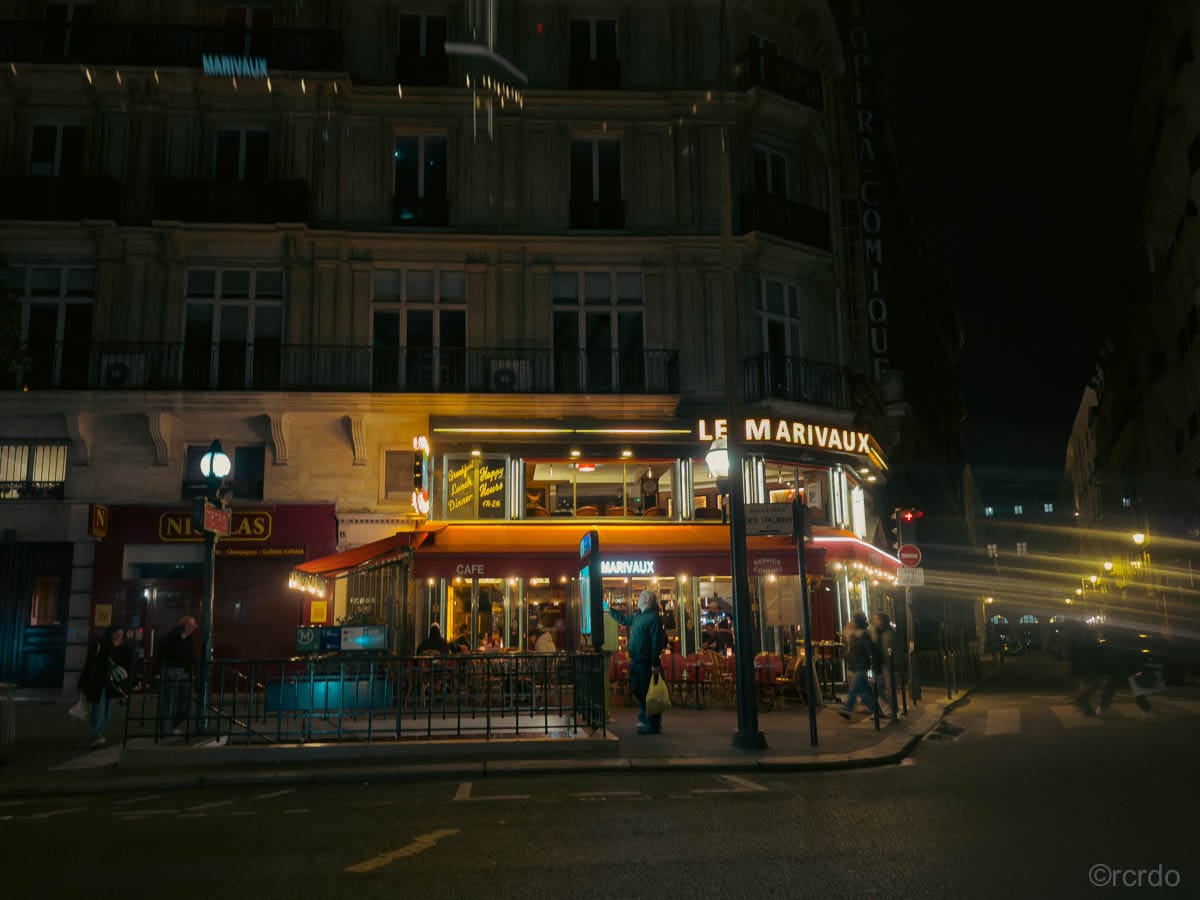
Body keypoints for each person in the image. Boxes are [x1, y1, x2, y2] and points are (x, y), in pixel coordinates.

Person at [607, 589, 668, 734]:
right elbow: (624, 620)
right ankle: (645, 720)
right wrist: (610, 610)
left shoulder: (651, 618)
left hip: (645, 661)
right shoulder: (641, 616)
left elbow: (656, 641)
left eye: (641, 597)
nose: (638, 599)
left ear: (647, 600)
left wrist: (654, 662)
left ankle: (651, 723)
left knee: (647, 692)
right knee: (641, 690)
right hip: (638, 660)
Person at [77, 625, 133, 749]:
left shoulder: (119, 647)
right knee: (100, 708)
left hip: (110, 683)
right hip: (100, 681)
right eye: (116, 635)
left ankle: (98, 733)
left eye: (120, 635)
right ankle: (96, 735)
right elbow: (90, 664)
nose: (118, 637)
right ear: (111, 634)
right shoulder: (101, 646)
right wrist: (83, 683)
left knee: (106, 710)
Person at [157, 614, 197, 737]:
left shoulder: (186, 638)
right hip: (173, 669)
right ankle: (167, 728)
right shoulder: (174, 637)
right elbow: (167, 651)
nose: (192, 630)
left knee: (186, 697)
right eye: (190, 627)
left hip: (182, 670)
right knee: (170, 700)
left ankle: (171, 726)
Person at [839, 612, 878, 720]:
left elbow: (868, 650)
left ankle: (847, 709)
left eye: (853, 621)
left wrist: (866, 659)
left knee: (853, 689)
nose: (852, 622)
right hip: (857, 665)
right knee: (864, 692)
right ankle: (877, 711)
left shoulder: (863, 635)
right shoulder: (857, 634)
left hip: (861, 666)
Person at [872, 611, 896, 716]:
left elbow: (889, 650)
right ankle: (889, 709)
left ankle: (891, 710)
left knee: (888, 688)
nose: (874, 621)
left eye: (876, 619)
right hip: (880, 664)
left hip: (886, 664)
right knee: (879, 687)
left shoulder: (887, 634)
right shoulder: (878, 633)